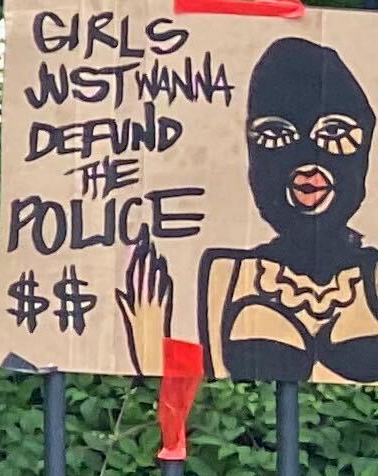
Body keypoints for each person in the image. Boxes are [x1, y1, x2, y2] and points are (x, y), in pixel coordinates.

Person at [123, 36, 378, 383]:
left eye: (334, 132)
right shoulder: (228, 274)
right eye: (275, 134)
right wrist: (150, 348)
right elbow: (206, 380)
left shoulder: (371, 275)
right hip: (252, 435)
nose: (307, 158)